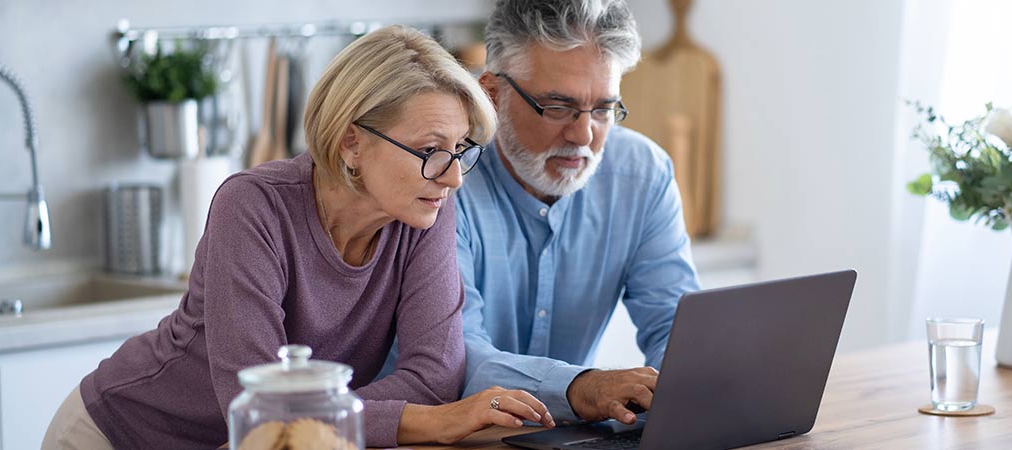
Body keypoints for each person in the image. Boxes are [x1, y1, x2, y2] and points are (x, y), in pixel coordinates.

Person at [41, 25, 552, 450]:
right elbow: (259, 405)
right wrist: (426, 420)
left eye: (460, 149)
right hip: (124, 433)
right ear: (352, 141)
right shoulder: (253, 206)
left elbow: (435, 376)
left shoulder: (427, 210)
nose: (453, 176)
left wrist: (316, 422)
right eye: (430, 150)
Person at [457, 0, 701, 426]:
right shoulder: (444, 179)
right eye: (557, 107)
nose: (584, 134)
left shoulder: (642, 173)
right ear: (492, 94)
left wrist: (685, 390)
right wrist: (581, 387)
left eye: (604, 109)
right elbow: (457, 358)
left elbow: (675, 326)